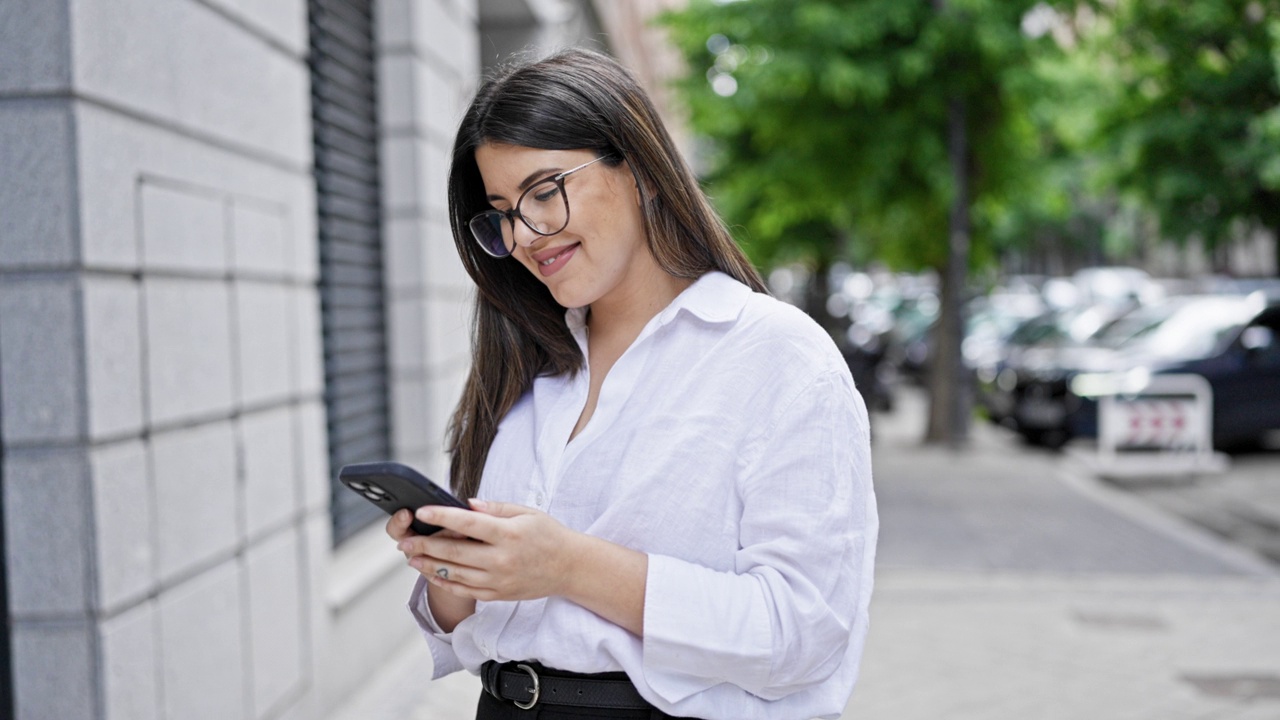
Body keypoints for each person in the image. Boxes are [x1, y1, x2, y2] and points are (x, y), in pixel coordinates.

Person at [386, 47, 878, 720]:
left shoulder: (775, 356)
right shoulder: (529, 363)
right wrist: (453, 566)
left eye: (545, 191)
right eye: (501, 210)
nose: (525, 236)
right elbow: (473, 627)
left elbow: (802, 633)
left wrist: (568, 566)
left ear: (640, 171)